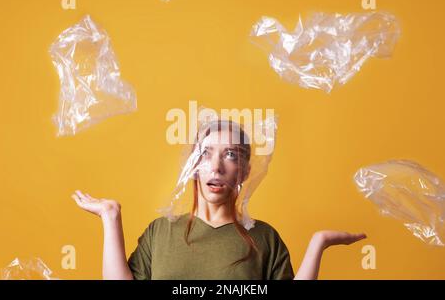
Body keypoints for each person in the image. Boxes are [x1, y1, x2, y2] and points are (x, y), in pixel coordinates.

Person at [72, 120, 366, 280]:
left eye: (230, 154)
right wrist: (111, 218)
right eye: (206, 153)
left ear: (246, 170)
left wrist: (318, 244)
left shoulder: (265, 239)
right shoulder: (160, 233)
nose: (216, 167)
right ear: (192, 165)